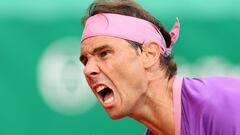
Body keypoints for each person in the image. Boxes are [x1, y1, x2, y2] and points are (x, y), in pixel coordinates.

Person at [79, 0, 240, 135]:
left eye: (104, 53)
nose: (88, 70)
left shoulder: (227, 106)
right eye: (85, 61)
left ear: (149, 54)